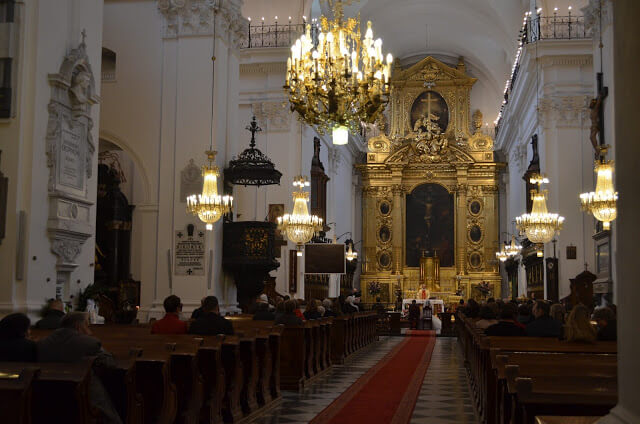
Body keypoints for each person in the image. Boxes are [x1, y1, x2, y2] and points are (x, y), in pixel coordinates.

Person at [37, 312, 122, 424]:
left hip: (48, 400)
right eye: (87, 325)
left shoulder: (42, 344)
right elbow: (110, 364)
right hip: (82, 397)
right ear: (78, 326)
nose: (90, 330)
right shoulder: (89, 343)